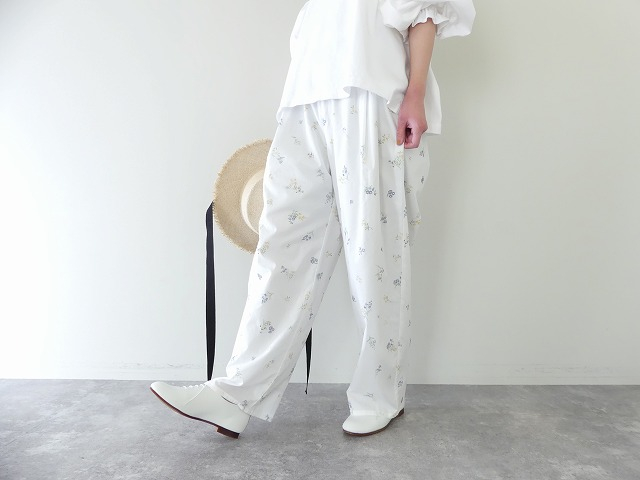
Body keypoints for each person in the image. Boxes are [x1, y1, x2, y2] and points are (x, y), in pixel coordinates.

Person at [150, 0, 475, 439]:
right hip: (305, 99)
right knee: (282, 245)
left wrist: (415, 93)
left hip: (371, 94)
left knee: (374, 252)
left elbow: (424, 14)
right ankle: (237, 393)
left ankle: (381, 395)